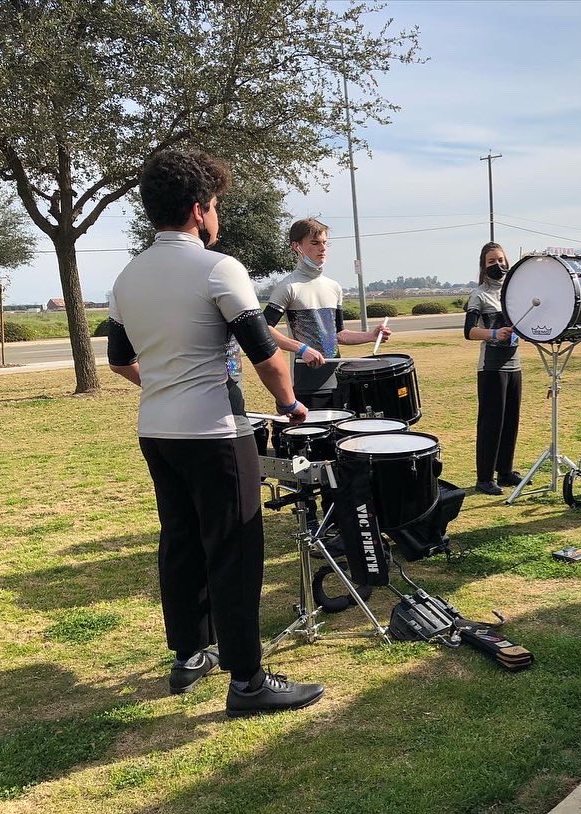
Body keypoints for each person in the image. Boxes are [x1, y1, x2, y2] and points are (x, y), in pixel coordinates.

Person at [107, 149, 324, 716]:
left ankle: (189, 655)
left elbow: (118, 359)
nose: (217, 215)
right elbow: (264, 355)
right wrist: (290, 402)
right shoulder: (217, 267)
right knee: (234, 548)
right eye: (217, 205)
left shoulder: (126, 277)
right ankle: (248, 681)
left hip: (156, 431)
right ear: (200, 209)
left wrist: (164, 385)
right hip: (214, 432)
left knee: (180, 541)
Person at [263, 218, 391, 411]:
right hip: (306, 385)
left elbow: (338, 334)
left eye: (324, 243)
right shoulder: (288, 287)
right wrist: (302, 349)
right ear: (296, 246)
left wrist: (371, 336)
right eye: (314, 243)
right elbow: (264, 328)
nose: (322, 248)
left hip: (339, 382)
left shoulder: (334, 287)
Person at [464, 242, 523, 496]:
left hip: (515, 365)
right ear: (483, 266)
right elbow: (469, 331)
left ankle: (505, 471)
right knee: (491, 422)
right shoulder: (479, 295)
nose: (498, 265)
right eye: (491, 262)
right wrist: (494, 333)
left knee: (511, 419)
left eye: (501, 260)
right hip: (491, 367)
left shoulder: (515, 293)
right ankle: (485, 476)